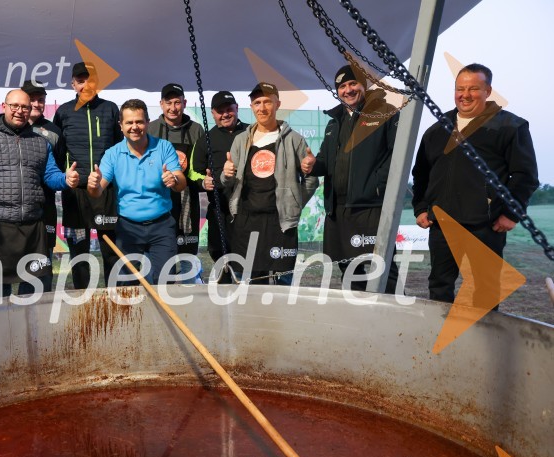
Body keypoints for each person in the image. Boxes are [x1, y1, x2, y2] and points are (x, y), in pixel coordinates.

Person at [412, 63, 539, 305]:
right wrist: (420, 208)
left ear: (487, 91)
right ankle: (441, 328)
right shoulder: (437, 130)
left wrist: (511, 214)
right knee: (439, 286)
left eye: (473, 89)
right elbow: (421, 174)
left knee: (486, 290)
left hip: (486, 226)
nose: (465, 95)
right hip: (443, 225)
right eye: (460, 89)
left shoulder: (510, 126)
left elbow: (525, 175)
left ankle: (485, 332)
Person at [0, 89, 79, 297]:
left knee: (35, 292)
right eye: (14, 106)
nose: (20, 111)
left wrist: (66, 179)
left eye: (25, 107)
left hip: (33, 226)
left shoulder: (41, 142)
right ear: (4, 106)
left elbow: (51, 175)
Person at [301, 63, 400, 293]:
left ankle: (396, 312)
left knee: (382, 266)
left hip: (370, 208)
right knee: (347, 266)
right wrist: (312, 166)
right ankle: (359, 310)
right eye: (342, 86)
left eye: (353, 83)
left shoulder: (385, 113)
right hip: (338, 210)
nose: (348, 90)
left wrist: (376, 186)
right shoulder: (334, 122)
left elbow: (397, 156)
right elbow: (325, 162)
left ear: (363, 85)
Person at [220, 83, 318, 285]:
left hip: (280, 223)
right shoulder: (241, 140)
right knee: (249, 286)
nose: (262, 108)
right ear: (251, 107)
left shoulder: (295, 139)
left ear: (277, 104)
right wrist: (226, 174)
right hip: (246, 222)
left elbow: (311, 179)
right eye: (257, 103)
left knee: (283, 284)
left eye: (267, 102)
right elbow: (227, 182)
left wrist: (294, 202)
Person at [87, 99, 186, 285]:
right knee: (126, 285)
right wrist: (93, 185)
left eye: (139, 121)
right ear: (121, 126)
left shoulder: (164, 147)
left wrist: (174, 180)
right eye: (129, 122)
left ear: (147, 122)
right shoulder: (112, 153)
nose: (134, 127)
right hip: (128, 228)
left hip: (162, 226)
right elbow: (97, 191)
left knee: (164, 282)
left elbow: (181, 182)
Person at [53, 62, 122, 289]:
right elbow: (58, 152)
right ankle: (82, 297)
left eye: (90, 80)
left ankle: (115, 295)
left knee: (111, 250)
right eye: (81, 81)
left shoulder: (111, 109)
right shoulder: (63, 112)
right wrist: (64, 177)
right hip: (75, 194)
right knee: (79, 253)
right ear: (73, 84)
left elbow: (119, 148)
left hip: (105, 190)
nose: (86, 85)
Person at [148, 83, 205, 282]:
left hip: (188, 201)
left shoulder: (196, 130)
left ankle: (190, 290)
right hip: (159, 201)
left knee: (188, 254)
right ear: (161, 104)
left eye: (177, 102)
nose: (173, 108)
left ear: (184, 103)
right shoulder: (151, 129)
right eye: (169, 103)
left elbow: (199, 168)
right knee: (162, 255)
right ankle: (163, 291)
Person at [192, 91, 248, 282]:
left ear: (237, 108)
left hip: (248, 208)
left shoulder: (251, 132)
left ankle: (248, 295)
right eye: (220, 111)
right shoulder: (205, 139)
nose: (225, 114)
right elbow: (193, 172)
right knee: (220, 257)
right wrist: (203, 182)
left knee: (247, 258)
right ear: (213, 113)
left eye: (229, 109)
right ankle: (224, 295)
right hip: (219, 209)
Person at [22, 80, 66, 291]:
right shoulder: (8, 127)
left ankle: (41, 304)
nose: (36, 104)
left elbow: (57, 171)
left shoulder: (54, 131)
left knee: (41, 265)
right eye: (32, 99)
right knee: (12, 265)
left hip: (44, 206)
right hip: (15, 208)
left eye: (40, 100)